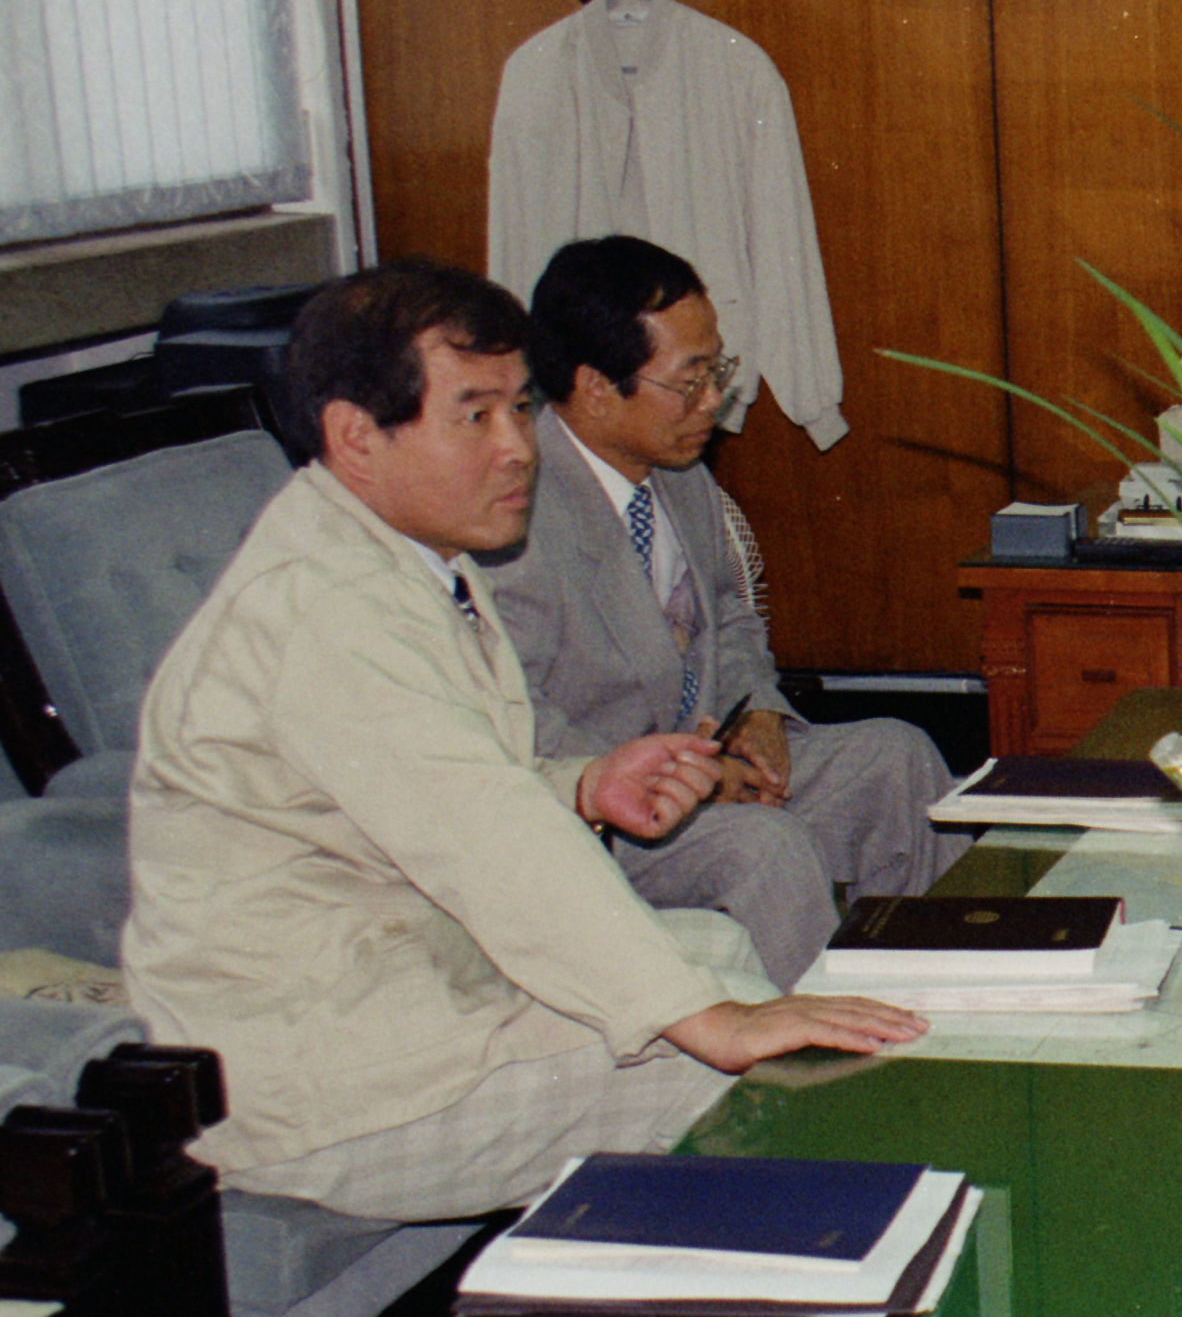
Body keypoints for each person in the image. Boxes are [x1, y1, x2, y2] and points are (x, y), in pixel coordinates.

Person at [122, 263, 922, 1221]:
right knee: (733, 1077)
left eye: (519, 408)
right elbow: (483, 830)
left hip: (414, 988)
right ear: (354, 435)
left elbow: (440, 785)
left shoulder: (403, 562)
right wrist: (712, 1022)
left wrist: (587, 785)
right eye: (474, 416)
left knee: (714, 945)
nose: (518, 450)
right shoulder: (323, 612)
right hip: (321, 1076)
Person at [483, 235, 954, 985]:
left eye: (716, 370)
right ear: (596, 385)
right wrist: (691, 779)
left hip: (715, 756)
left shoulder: (677, 471)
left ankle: (952, 992)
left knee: (896, 759)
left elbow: (730, 613)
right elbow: (522, 722)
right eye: (690, 379)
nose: (714, 402)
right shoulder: (516, 517)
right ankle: (827, 1055)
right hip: (620, 818)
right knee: (762, 851)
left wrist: (761, 714)